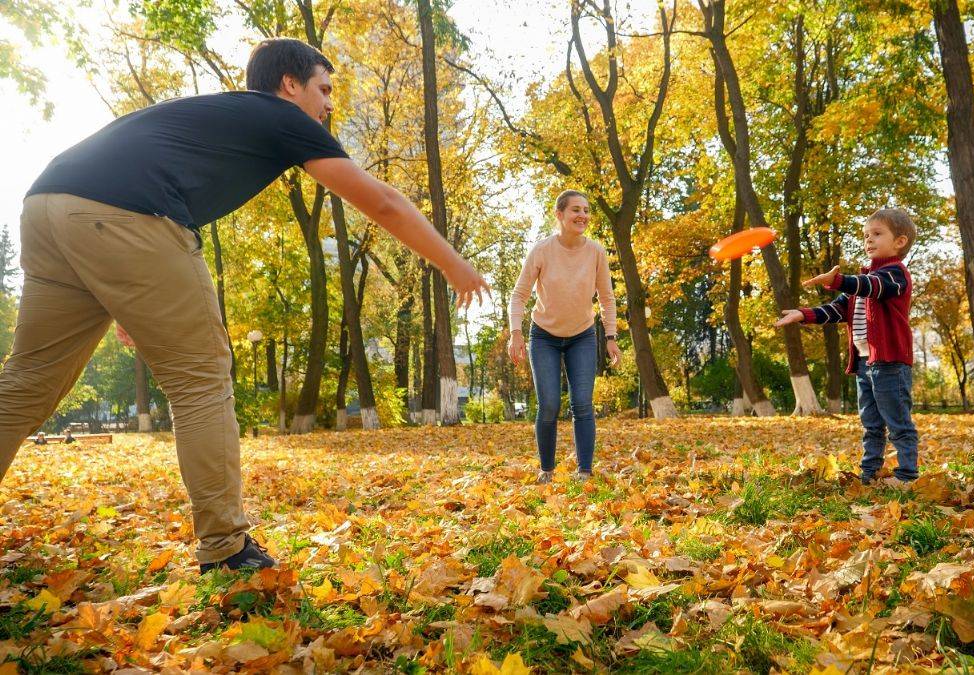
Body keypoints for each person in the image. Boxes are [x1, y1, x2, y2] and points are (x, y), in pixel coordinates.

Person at [0, 38, 489, 573]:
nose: (329, 105)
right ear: (290, 85)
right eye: (324, 90)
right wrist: (453, 264)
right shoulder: (280, 116)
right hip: (122, 214)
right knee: (201, 378)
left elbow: (118, 181)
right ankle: (226, 548)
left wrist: (120, 295)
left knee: (28, 381)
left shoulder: (221, 118)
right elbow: (383, 201)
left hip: (46, 204)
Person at [776, 208, 919, 484]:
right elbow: (837, 309)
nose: (869, 240)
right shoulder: (861, 282)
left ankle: (907, 476)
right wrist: (803, 314)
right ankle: (870, 474)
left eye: (877, 234)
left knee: (898, 422)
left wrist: (840, 281)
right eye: (866, 235)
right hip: (866, 364)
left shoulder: (895, 275)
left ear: (899, 242)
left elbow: (873, 287)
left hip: (890, 362)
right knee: (871, 424)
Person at [508, 190, 619, 484]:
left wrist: (610, 336)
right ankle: (547, 469)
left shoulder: (596, 251)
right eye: (575, 210)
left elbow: (607, 298)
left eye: (586, 210)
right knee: (549, 404)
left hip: (582, 335)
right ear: (559, 215)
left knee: (582, 402)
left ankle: (584, 472)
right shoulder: (542, 250)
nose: (582, 215)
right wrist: (515, 333)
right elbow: (519, 295)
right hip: (544, 336)